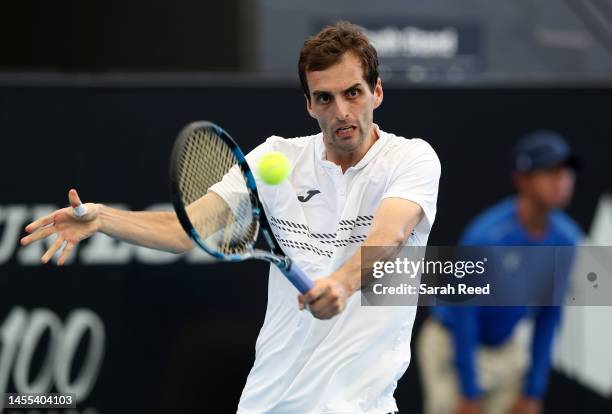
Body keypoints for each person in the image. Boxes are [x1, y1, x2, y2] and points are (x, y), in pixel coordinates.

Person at [21, 21, 440, 413]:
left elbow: (391, 233)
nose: (342, 111)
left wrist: (342, 285)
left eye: (353, 93)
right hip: (266, 402)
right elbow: (188, 231)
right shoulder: (276, 158)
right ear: (310, 106)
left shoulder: (411, 159)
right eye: (325, 98)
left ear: (377, 93)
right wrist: (102, 219)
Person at [417, 131, 582, 414]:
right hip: (453, 346)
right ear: (524, 179)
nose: (562, 181)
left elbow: (550, 314)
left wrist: (534, 390)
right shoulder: (486, 237)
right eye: (551, 172)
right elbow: (464, 316)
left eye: (566, 172)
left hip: (505, 347)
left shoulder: (567, 238)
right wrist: (469, 392)